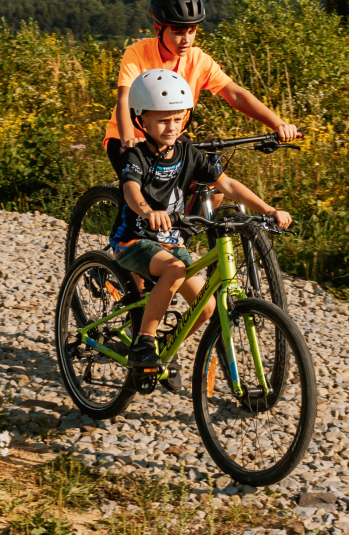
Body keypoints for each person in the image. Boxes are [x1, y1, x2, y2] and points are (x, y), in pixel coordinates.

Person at [112, 69, 291, 389]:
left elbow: (228, 185)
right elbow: (131, 190)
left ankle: (165, 347)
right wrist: (148, 211)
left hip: (170, 241)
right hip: (134, 239)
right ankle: (144, 342)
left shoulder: (188, 153)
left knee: (206, 308)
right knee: (176, 269)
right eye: (163, 120)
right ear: (142, 121)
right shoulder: (136, 155)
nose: (172, 127)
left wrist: (268, 209)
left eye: (178, 119)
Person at [102, 0, 300, 180]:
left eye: (192, 30)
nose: (186, 39)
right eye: (178, 31)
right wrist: (129, 140)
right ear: (158, 29)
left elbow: (236, 95)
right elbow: (124, 99)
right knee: (147, 196)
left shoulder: (198, 60)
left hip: (171, 136)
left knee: (212, 186)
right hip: (130, 137)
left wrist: (278, 124)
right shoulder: (137, 53)